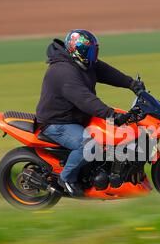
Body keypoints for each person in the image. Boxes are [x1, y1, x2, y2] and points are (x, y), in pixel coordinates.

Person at [36, 29, 145, 197]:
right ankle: (66, 179)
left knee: (114, 136)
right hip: (57, 122)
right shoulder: (63, 72)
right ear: (77, 51)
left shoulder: (84, 63)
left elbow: (106, 71)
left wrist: (130, 83)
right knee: (89, 145)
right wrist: (111, 115)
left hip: (76, 116)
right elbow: (85, 99)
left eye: (95, 51)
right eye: (91, 51)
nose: (94, 55)